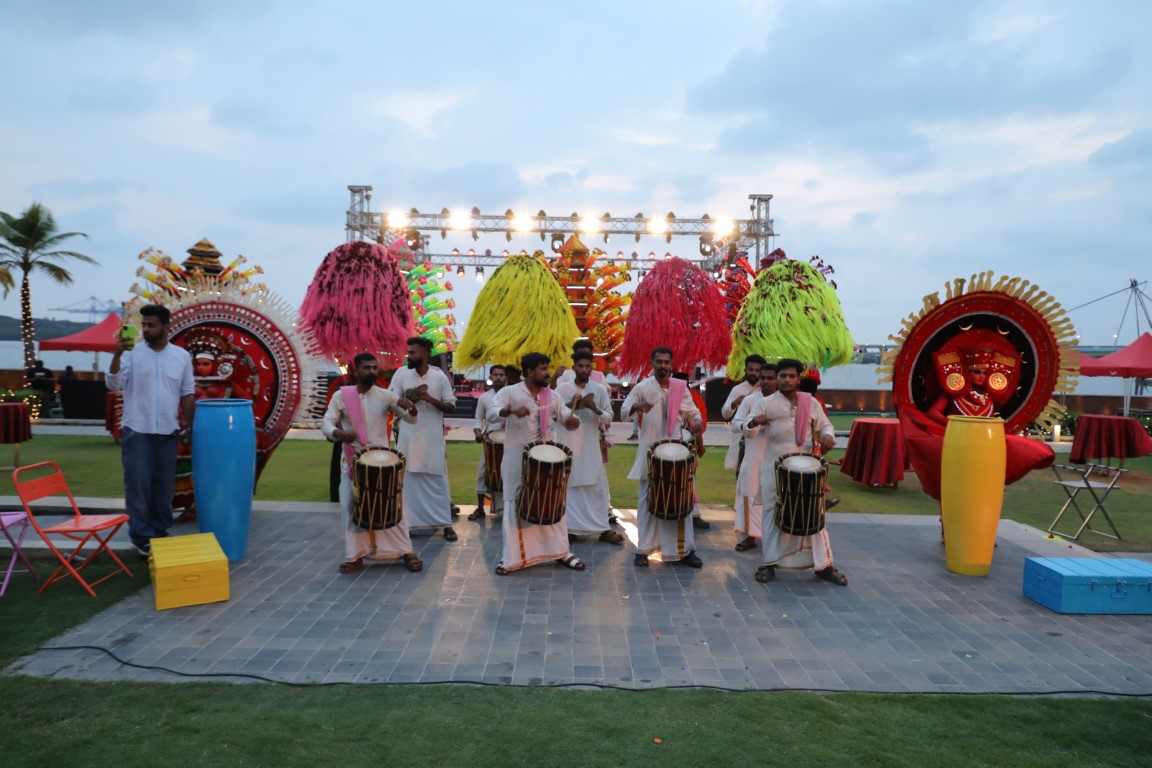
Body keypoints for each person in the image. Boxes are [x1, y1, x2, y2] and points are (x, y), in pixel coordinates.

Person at [745, 358, 846, 586]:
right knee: (771, 515)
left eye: (791, 376)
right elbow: (745, 429)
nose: (787, 380)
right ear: (777, 378)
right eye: (782, 376)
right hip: (775, 469)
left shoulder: (810, 403)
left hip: (806, 468)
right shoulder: (765, 403)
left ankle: (824, 566)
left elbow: (825, 426)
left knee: (814, 515)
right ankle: (769, 564)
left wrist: (828, 436)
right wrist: (753, 422)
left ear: (798, 379)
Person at [106, 305, 195, 556]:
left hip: (168, 431)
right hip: (138, 430)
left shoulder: (181, 356)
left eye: (151, 325)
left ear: (166, 326)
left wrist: (193, 426)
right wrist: (117, 354)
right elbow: (113, 383)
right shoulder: (131, 354)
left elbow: (187, 393)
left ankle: (160, 530)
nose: (145, 329)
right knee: (138, 486)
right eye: (144, 324)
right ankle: (141, 535)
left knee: (163, 488)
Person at [323, 353, 422, 574]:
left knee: (395, 506)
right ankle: (355, 555)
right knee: (349, 507)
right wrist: (339, 433)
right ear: (355, 370)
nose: (372, 372)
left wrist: (412, 407)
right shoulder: (341, 396)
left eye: (374, 368)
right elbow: (326, 422)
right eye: (367, 368)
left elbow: (410, 418)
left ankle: (406, 551)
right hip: (353, 461)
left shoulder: (386, 395)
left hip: (382, 461)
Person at [488, 352, 583, 574]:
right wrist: (510, 410)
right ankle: (511, 557)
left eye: (547, 368)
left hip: (548, 461)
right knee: (515, 505)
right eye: (543, 369)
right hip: (517, 460)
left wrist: (572, 420)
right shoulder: (510, 392)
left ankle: (561, 551)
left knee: (553, 503)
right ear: (529, 371)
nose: (548, 373)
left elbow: (569, 420)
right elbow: (492, 413)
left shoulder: (553, 396)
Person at [621, 347, 706, 568]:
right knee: (646, 504)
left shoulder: (680, 387)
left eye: (667, 362)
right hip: (649, 454)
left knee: (682, 502)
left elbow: (692, 412)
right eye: (659, 362)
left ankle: (686, 550)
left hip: (675, 454)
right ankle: (643, 549)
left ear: (671, 364)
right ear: (652, 363)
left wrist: (696, 422)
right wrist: (637, 406)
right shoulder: (642, 387)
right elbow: (623, 412)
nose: (663, 366)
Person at [390, 337, 459, 541]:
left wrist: (428, 399)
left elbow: (451, 406)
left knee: (438, 480)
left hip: (432, 438)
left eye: (413, 352)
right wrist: (405, 402)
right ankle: (408, 524)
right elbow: (391, 401)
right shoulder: (401, 374)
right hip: (408, 438)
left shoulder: (439, 378)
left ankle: (445, 524)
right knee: (408, 482)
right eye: (408, 352)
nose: (408, 356)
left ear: (426, 354)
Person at [555, 350, 624, 545]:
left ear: (591, 368)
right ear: (574, 367)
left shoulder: (599, 389)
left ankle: (602, 528)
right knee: (570, 486)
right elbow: (553, 414)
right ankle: (570, 529)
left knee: (595, 486)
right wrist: (572, 405)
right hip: (568, 444)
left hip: (591, 445)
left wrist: (595, 408)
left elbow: (609, 417)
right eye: (580, 366)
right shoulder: (562, 389)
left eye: (588, 366)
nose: (584, 370)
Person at [731, 364, 778, 551]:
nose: (765, 381)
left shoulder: (786, 402)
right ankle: (750, 538)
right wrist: (752, 423)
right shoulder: (750, 400)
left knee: (775, 496)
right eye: (763, 378)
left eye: (770, 378)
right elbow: (735, 424)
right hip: (754, 454)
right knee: (750, 495)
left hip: (776, 456)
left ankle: (775, 537)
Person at [469, 364, 507, 520]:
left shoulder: (512, 394)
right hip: (490, 441)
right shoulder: (484, 397)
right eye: (495, 375)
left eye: (501, 375)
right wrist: (478, 431)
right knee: (482, 472)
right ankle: (480, 508)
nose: (498, 377)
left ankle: (513, 510)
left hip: (511, 440)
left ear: (506, 378)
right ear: (490, 378)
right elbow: (478, 418)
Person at [721, 355, 766, 472]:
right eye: (751, 370)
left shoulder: (768, 388)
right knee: (742, 472)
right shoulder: (738, 389)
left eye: (757, 370)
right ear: (745, 370)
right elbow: (725, 414)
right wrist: (734, 403)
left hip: (763, 439)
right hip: (742, 436)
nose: (753, 373)